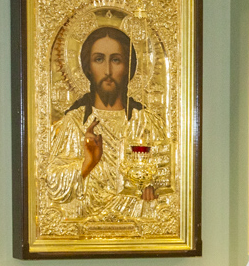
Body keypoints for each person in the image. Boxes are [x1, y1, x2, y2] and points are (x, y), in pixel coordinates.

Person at [46, 25, 169, 220]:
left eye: (116, 60)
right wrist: (87, 164)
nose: (108, 71)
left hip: (134, 224)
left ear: (128, 67)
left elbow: (168, 177)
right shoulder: (74, 122)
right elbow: (52, 184)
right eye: (99, 59)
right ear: (88, 67)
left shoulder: (146, 122)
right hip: (86, 223)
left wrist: (151, 186)